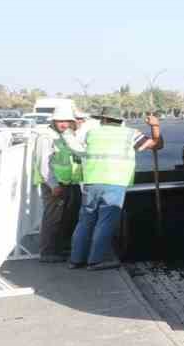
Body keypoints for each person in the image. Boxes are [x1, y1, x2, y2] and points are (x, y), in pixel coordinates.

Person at [68, 112, 163, 271]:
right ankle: (96, 261)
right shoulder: (130, 134)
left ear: (103, 120)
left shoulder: (92, 133)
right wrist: (155, 126)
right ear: (120, 120)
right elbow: (156, 144)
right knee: (106, 221)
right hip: (115, 182)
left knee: (86, 220)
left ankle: (75, 260)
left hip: (91, 181)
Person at [32, 99, 86, 262]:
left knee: (68, 219)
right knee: (53, 219)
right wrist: (53, 184)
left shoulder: (66, 136)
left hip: (69, 184)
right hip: (54, 185)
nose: (63, 124)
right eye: (60, 121)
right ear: (54, 121)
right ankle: (48, 252)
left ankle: (61, 249)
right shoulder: (46, 137)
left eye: (67, 121)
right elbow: (43, 164)